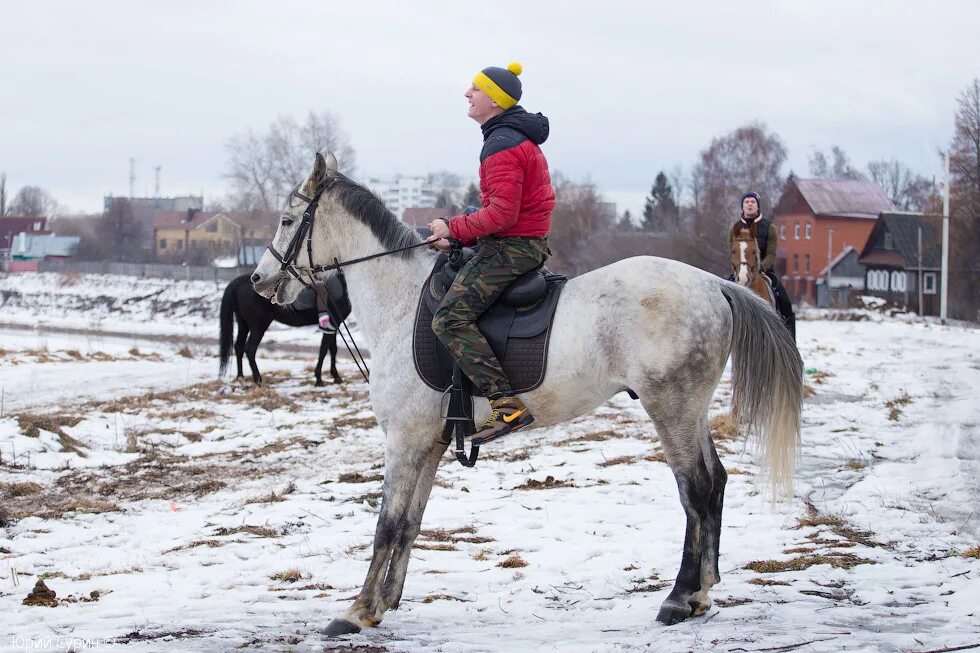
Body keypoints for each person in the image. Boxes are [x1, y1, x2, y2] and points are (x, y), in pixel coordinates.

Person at [427, 61, 555, 445]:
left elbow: (502, 214)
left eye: (475, 89)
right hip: (519, 240)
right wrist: (461, 235)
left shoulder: (501, 143)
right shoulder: (507, 136)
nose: (468, 94)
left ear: (495, 101)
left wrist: (453, 228)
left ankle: (506, 405)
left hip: (512, 247)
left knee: (448, 320)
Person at [727, 191, 796, 339]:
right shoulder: (735, 228)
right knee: (722, 299)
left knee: (785, 303)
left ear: (758, 206)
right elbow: (732, 252)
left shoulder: (769, 227)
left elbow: (771, 254)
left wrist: (759, 268)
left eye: (753, 202)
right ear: (742, 207)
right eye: (747, 202)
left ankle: (791, 346)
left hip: (764, 272)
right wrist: (738, 270)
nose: (750, 204)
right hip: (740, 271)